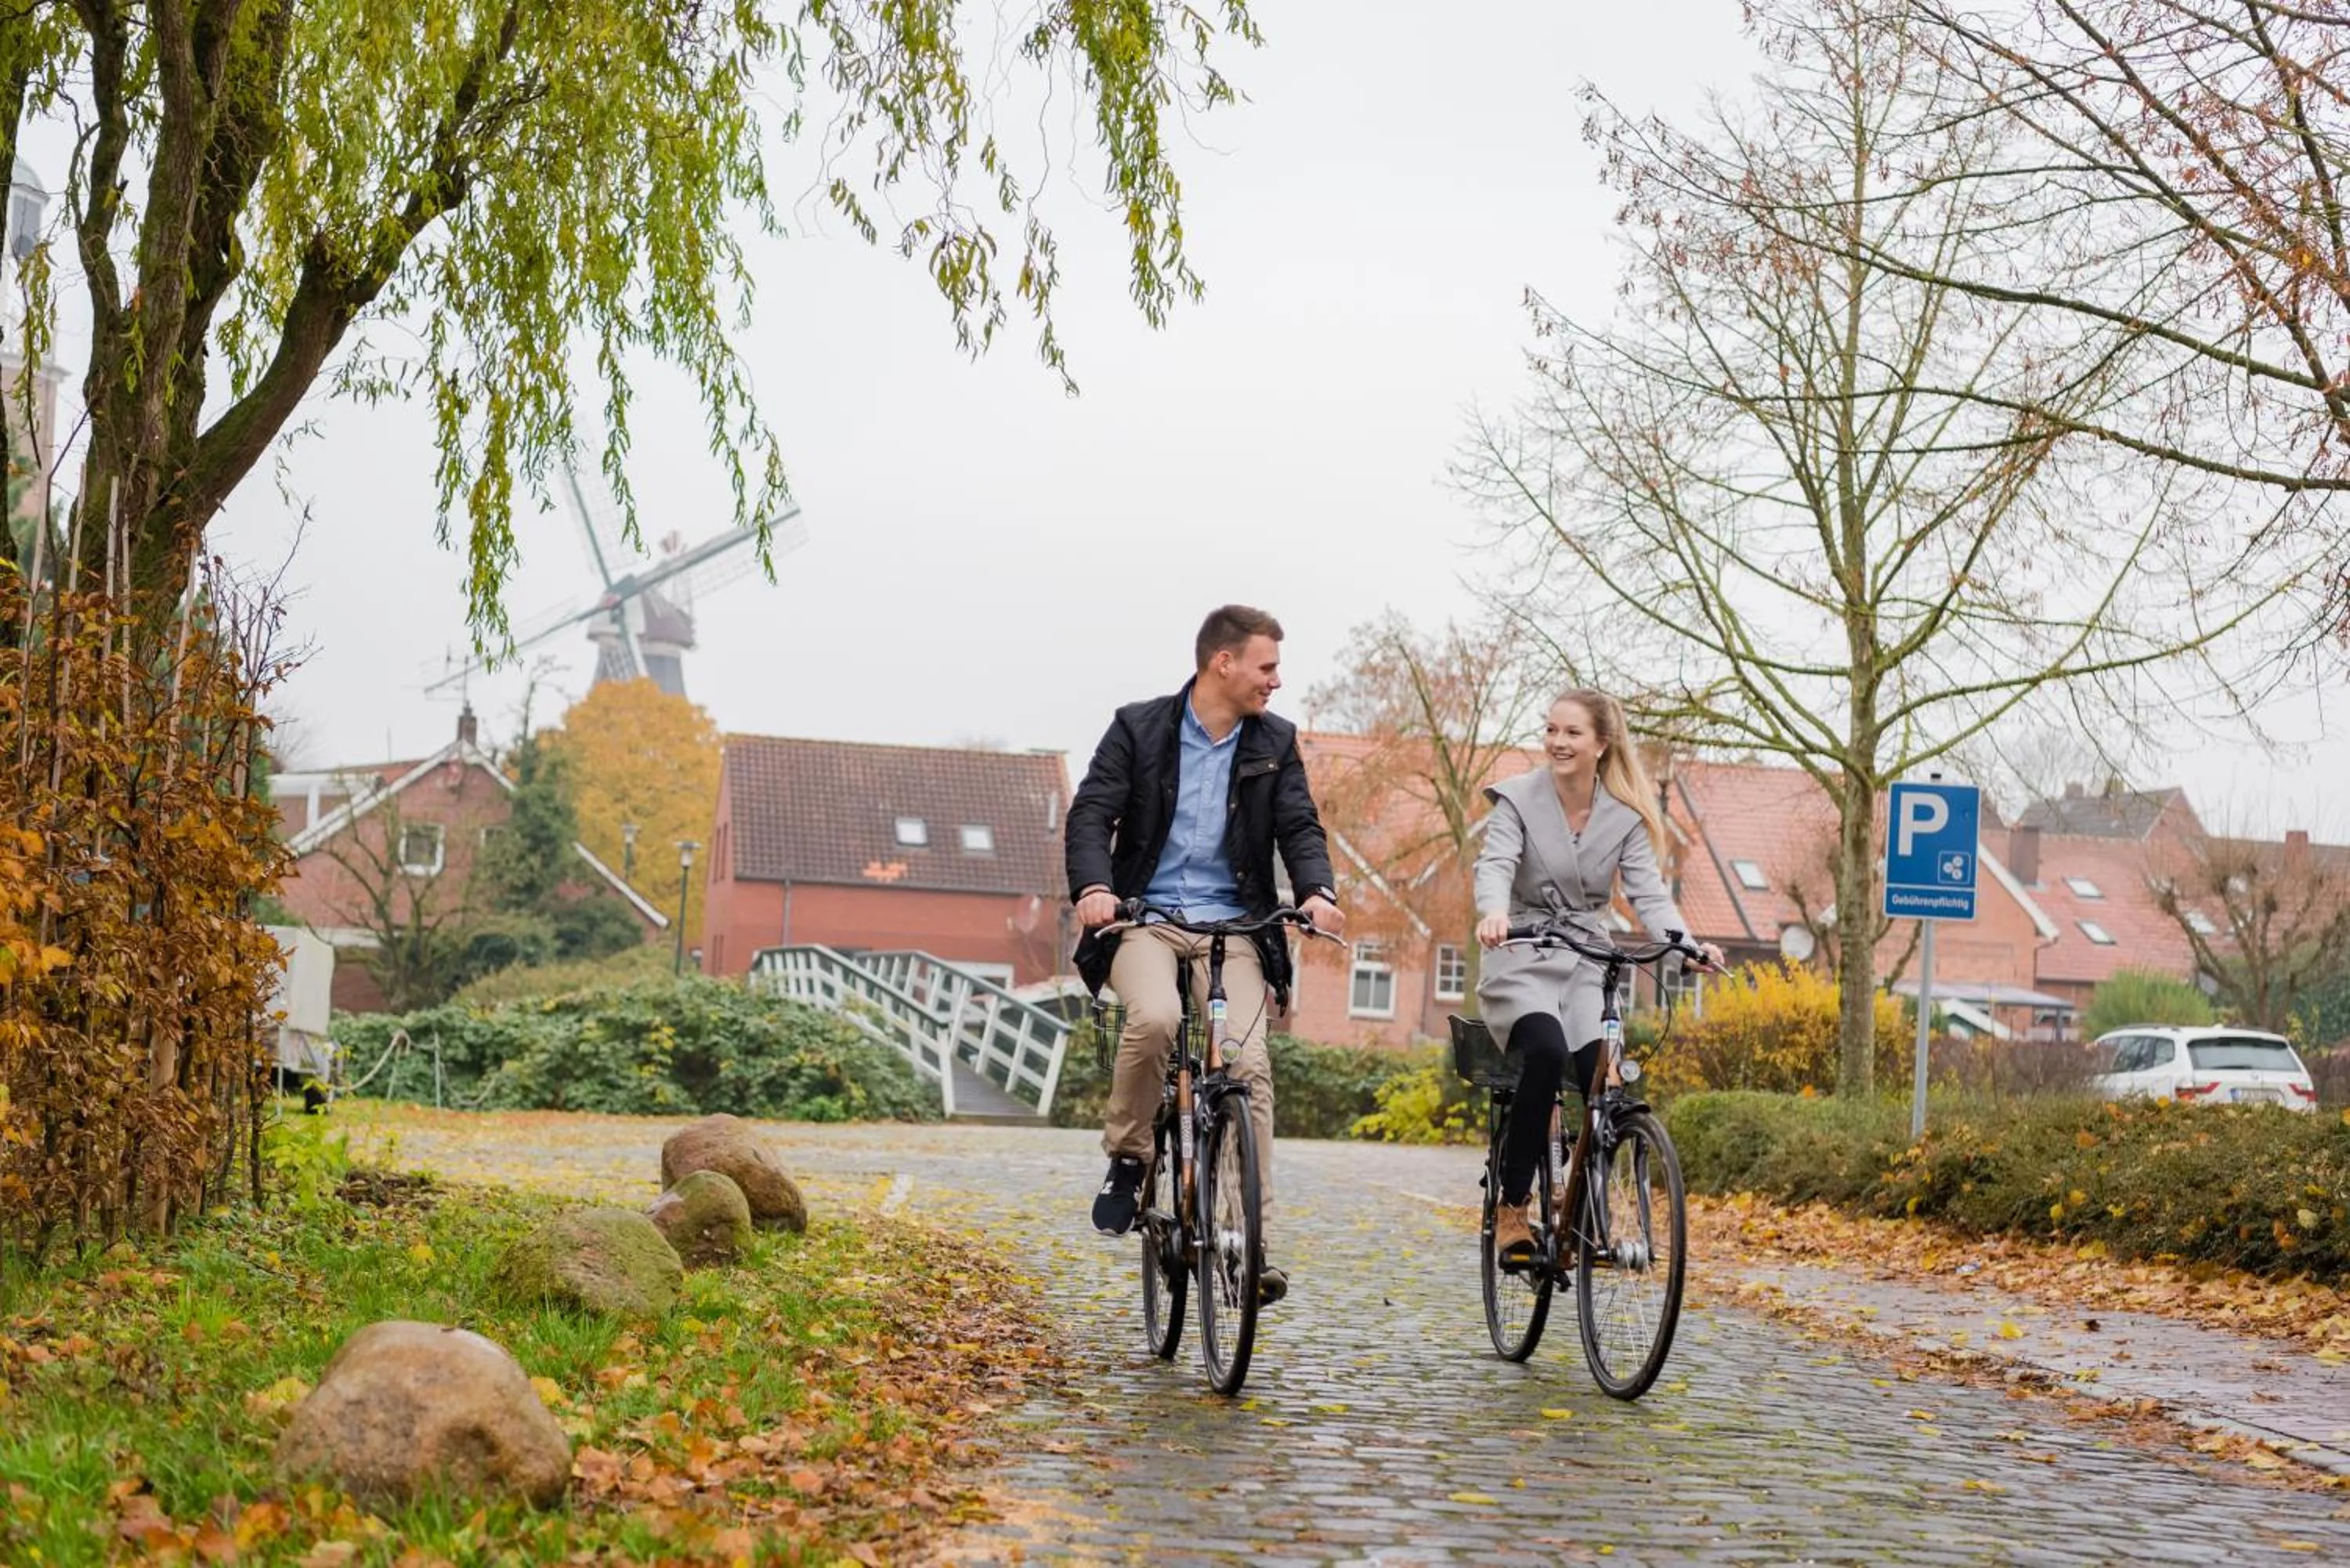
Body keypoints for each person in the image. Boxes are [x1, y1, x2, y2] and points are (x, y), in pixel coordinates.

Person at [1065, 605, 1345, 1305]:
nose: (1276, 681)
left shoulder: (1274, 741)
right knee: (1156, 1018)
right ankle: (1130, 1159)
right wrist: (1097, 888)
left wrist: (1315, 891)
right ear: (1224, 662)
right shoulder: (1140, 728)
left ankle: (1250, 1245)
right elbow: (1092, 813)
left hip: (1237, 929)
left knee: (1247, 1066)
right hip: (1145, 920)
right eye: (1267, 666)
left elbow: (1298, 825)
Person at [1473, 688, 1722, 1261]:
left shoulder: (1624, 818)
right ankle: (1514, 1205)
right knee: (1544, 1050)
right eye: (1551, 730)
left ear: (1601, 744)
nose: (1557, 742)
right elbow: (1496, 865)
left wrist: (1686, 946)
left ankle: (1582, 1217)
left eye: (1572, 733)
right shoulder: (1517, 800)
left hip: (1586, 956)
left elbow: (1649, 895)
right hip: (1523, 948)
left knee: (1602, 1079)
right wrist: (1494, 912)